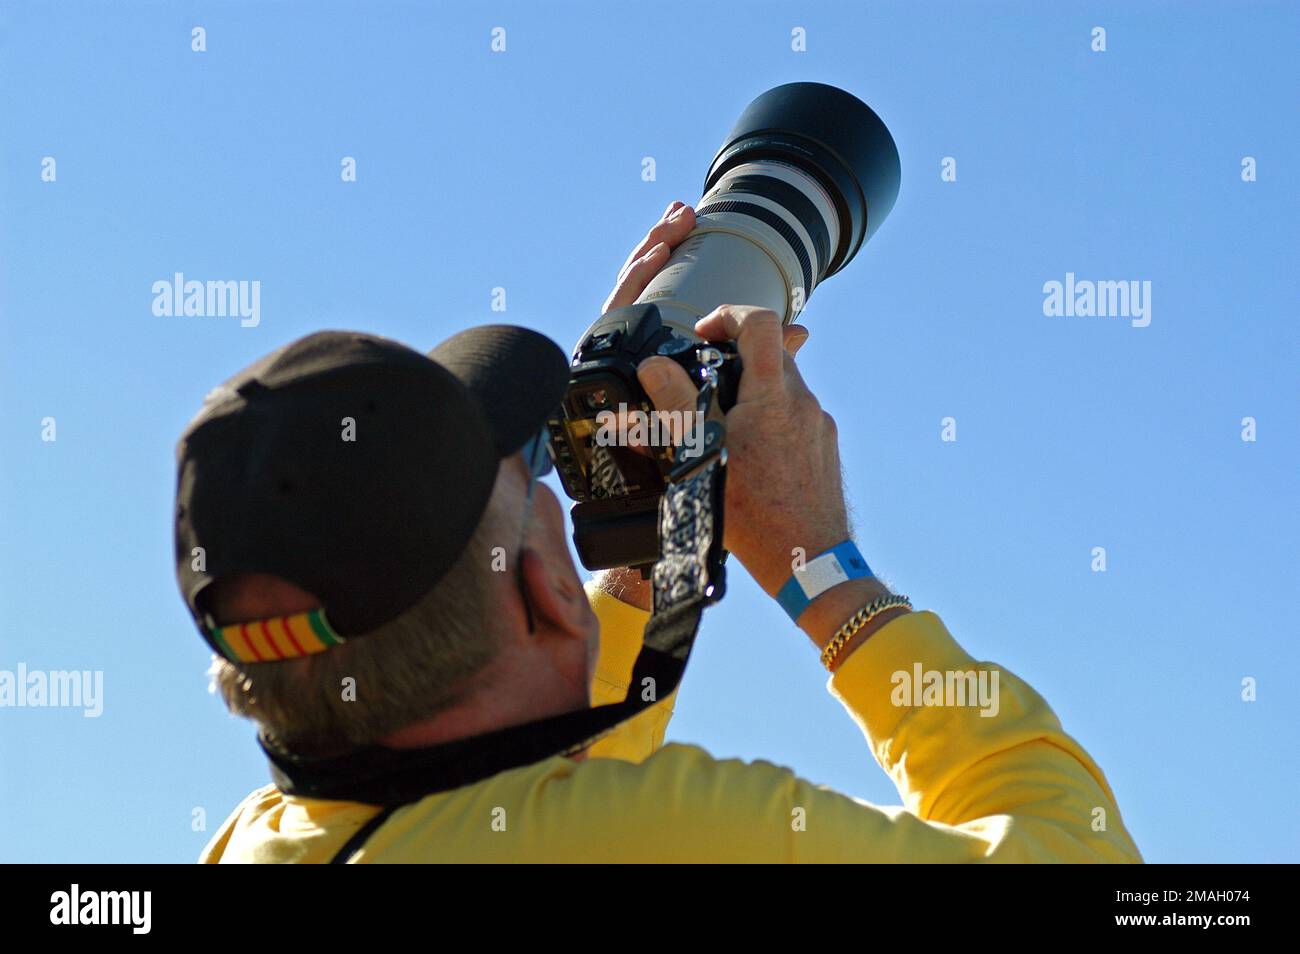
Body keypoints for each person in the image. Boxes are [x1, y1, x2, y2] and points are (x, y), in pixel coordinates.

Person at [181, 201, 1141, 863]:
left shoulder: (259, 837)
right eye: (536, 479)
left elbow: (519, 788)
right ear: (550, 594)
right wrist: (824, 572)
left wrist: (648, 566)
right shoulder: (677, 833)